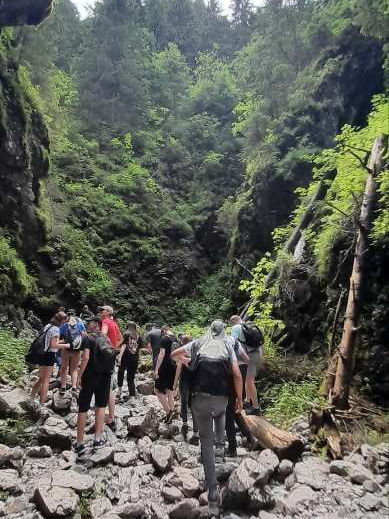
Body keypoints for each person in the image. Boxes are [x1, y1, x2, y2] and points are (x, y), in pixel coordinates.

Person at [172, 320, 243, 517]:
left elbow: (174, 354)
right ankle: (220, 447)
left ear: (209, 330)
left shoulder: (198, 342)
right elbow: (237, 374)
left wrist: (186, 361)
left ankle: (212, 494)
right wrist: (239, 398)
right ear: (223, 331)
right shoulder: (229, 344)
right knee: (220, 412)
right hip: (221, 398)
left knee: (205, 443)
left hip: (200, 398)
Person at [75, 316, 113, 458]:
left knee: (83, 408)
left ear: (96, 324)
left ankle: (79, 444)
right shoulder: (106, 339)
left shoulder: (87, 338)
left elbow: (85, 357)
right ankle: (97, 439)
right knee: (101, 406)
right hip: (105, 376)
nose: (87, 325)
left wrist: (79, 376)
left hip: (90, 376)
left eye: (89, 323)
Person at [31, 311, 70, 404]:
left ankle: (31, 397)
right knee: (46, 380)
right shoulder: (56, 329)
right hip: (49, 355)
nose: (66, 323)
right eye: (65, 320)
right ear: (62, 320)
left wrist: (59, 342)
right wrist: (65, 345)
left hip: (42, 353)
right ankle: (41, 403)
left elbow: (48, 342)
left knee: (41, 378)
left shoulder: (48, 326)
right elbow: (53, 346)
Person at [230, 315, 262, 415]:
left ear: (233, 322)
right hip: (257, 353)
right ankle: (248, 402)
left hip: (249, 355)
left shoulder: (235, 328)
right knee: (248, 380)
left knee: (249, 381)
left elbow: (233, 342)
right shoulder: (251, 325)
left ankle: (256, 408)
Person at [98, 305, 122, 431]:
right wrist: (114, 348)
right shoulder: (115, 323)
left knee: (106, 387)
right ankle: (110, 416)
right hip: (111, 356)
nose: (101, 312)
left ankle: (107, 416)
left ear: (108, 312)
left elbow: (102, 335)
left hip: (104, 356)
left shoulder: (106, 322)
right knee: (109, 387)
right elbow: (120, 339)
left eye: (103, 310)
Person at [225, 337, 250, 456]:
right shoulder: (234, 341)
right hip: (239, 378)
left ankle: (232, 448)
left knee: (228, 415)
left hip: (227, 381)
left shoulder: (218, 342)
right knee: (234, 412)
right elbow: (246, 359)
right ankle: (250, 437)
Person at [173, 334, 199, 443]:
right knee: (194, 406)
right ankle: (196, 432)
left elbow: (179, 367)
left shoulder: (182, 353)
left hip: (185, 380)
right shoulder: (197, 352)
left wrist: (175, 383)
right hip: (195, 381)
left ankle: (184, 423)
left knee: (183, 401)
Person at [59, 310, 86, 396]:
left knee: (64, 368)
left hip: (66, 348)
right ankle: (74, 387)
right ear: (75, 315)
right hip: (77, 350)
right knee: (74, 369)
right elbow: (84, 335)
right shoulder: (80, 323)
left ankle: (63, 386)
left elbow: (59, 334)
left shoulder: (65, 324)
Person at [154, 326, 177, 423]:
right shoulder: (175, 338)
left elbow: (162, 353)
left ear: (163, 331)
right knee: (169, 389)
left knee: (157, 390)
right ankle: (171, 412)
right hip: (173, 365)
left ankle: (168, 412)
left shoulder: (164, 339)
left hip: (165, 366)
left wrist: (156, 369)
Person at [117, 321, 143, 402]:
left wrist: (120, 357)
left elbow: (124, 345)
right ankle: (132, 396)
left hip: (125, 358)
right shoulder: (139, 336)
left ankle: (119, 391)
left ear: (127, 326)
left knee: (120, 373)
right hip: (134, 359)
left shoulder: (126, 334)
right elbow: (140, 348)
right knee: (130, 378)